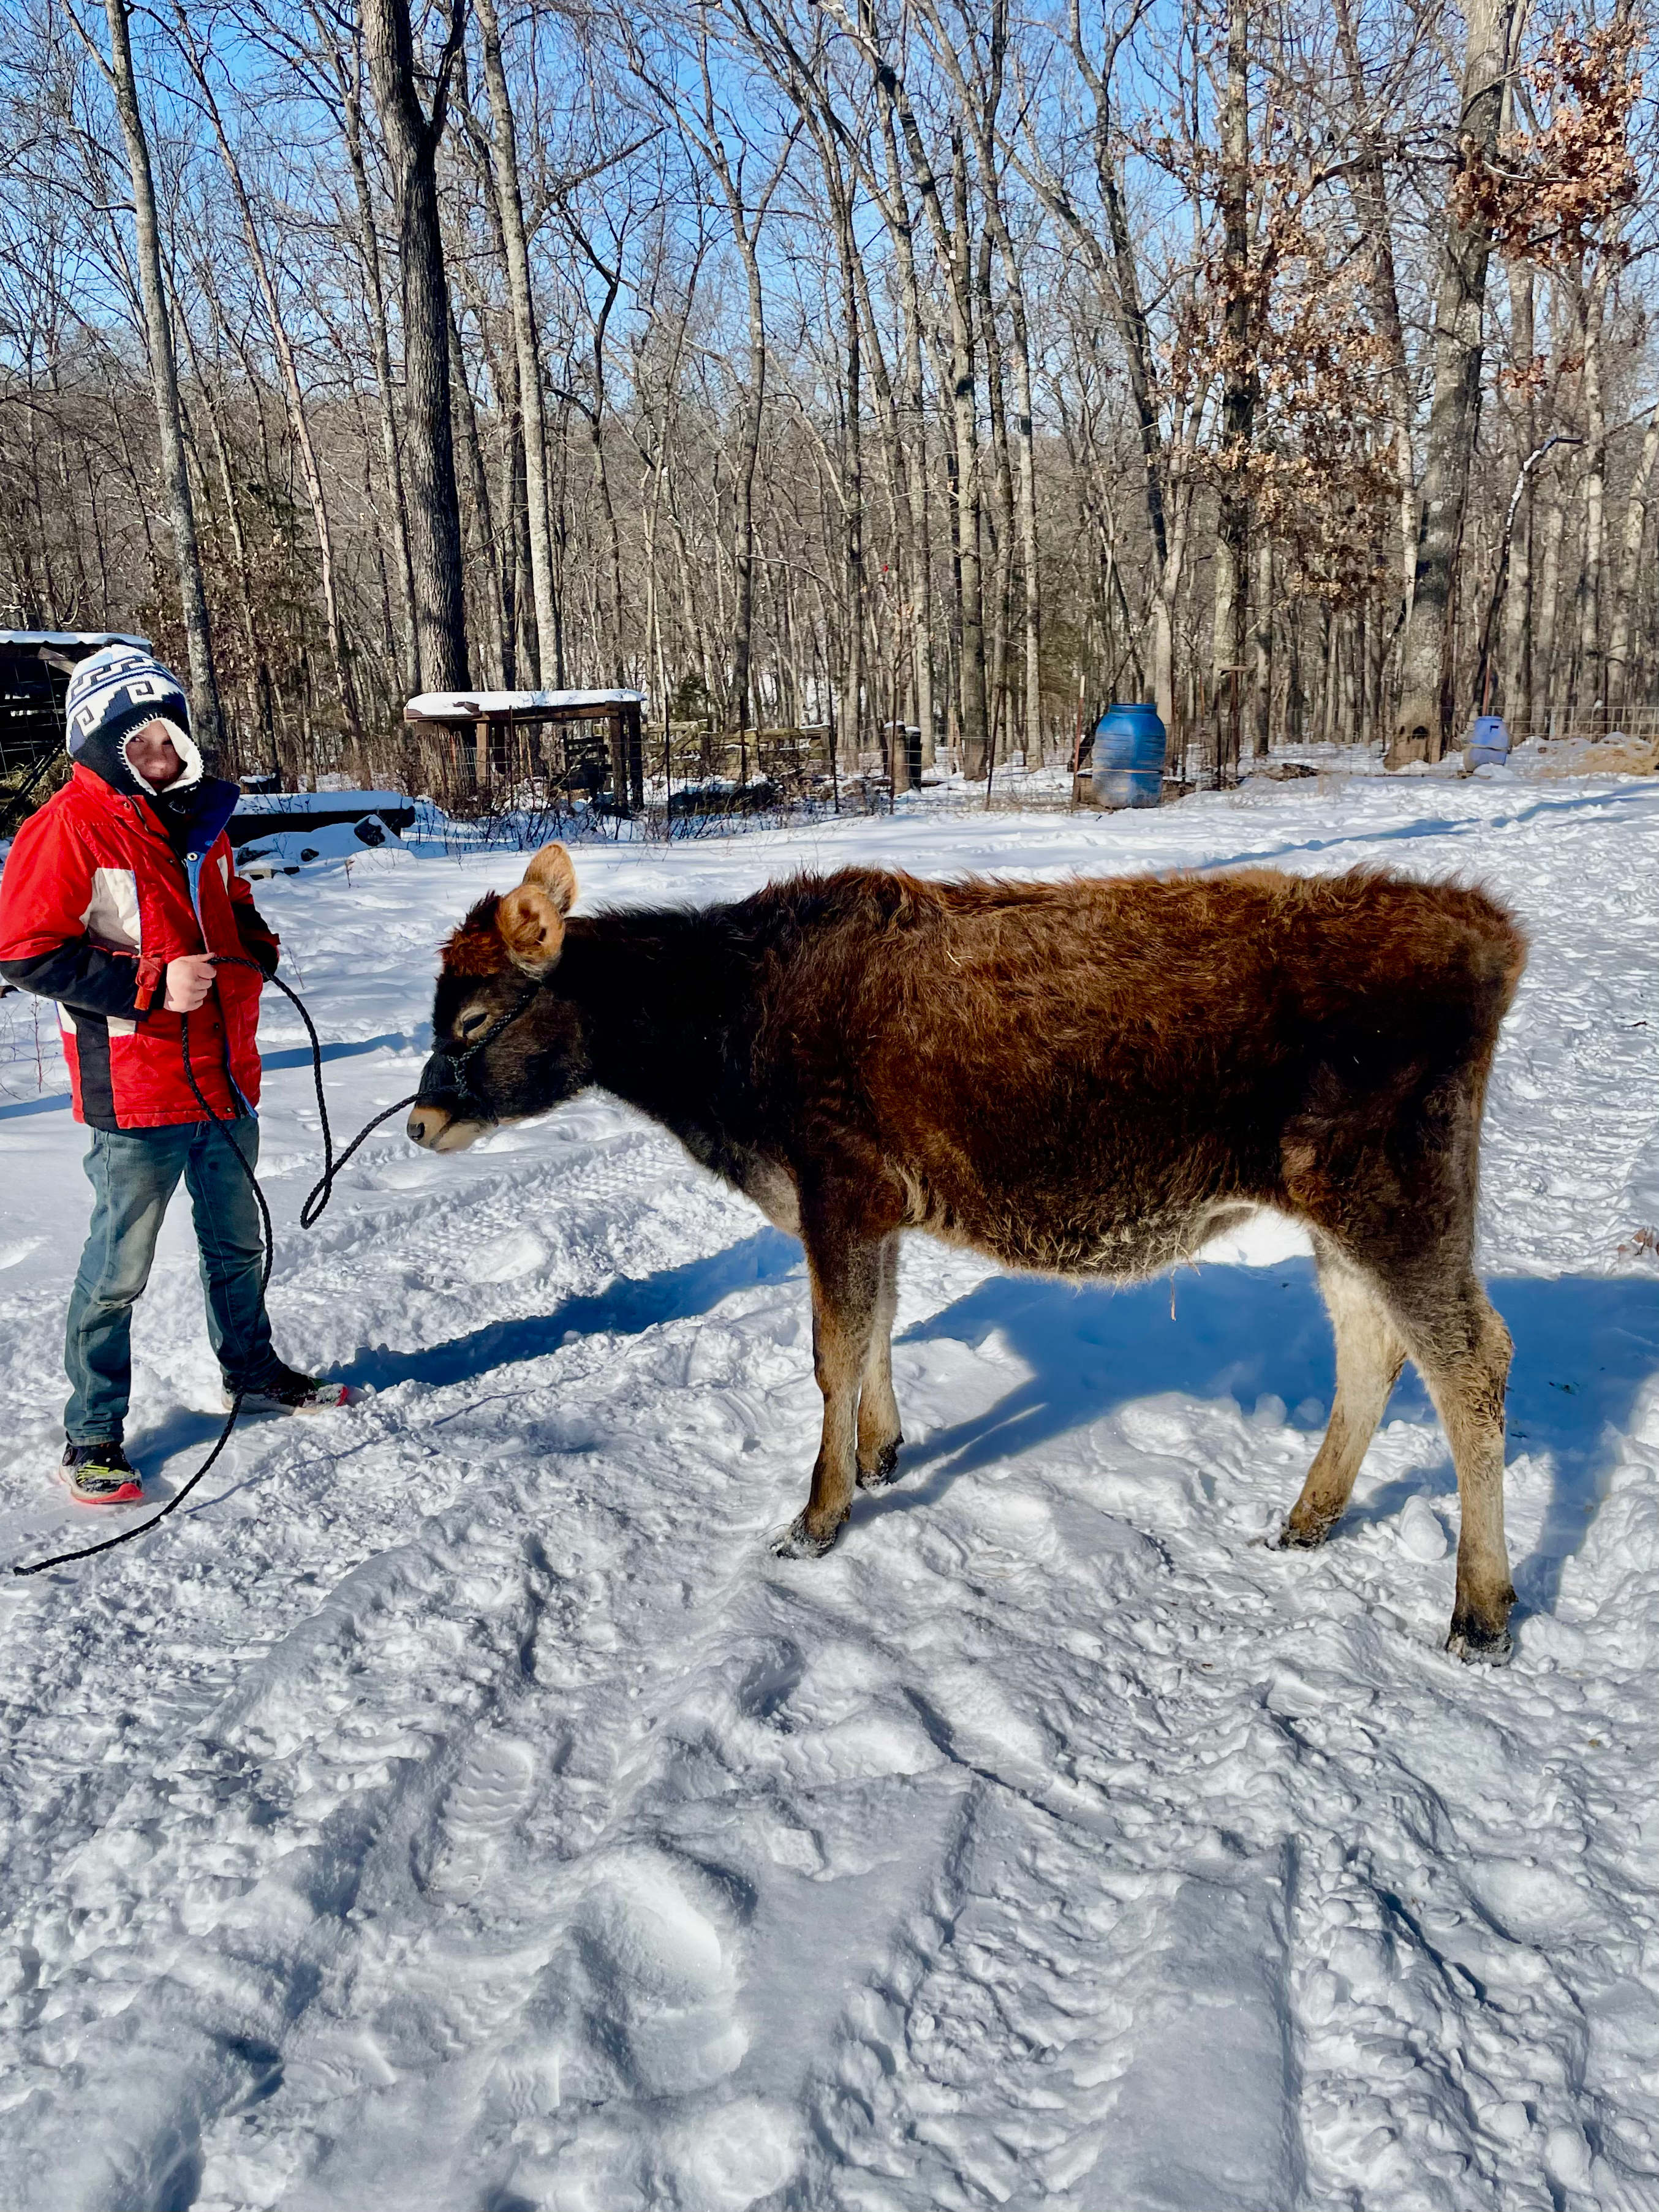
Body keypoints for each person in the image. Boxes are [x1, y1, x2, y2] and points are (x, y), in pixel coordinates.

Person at [0, 644, 345, 1506]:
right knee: (119, 1267)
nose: (162, 755)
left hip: (223, 1074)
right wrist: (150, 984)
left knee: (238, 1242)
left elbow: (235, 902)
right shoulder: (67, 828)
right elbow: (24, 950)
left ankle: (251, 1371)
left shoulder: (202, 819)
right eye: (143, 742)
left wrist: (254, 945)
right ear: (102, 742)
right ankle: (92, 1432)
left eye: (170, 739)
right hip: (135, 1087)